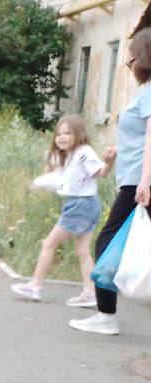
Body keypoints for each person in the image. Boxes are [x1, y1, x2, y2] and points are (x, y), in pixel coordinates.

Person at [71, 27, 151, 335]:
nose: (129, 64)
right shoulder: (143, 93)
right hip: (135, 177)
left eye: (131, 58)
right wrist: (121, 148)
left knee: (107, 240)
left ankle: (106, 315)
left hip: (138, 183)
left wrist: (144, 179)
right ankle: (105, 312)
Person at [11, 115, 112, 305]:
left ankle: (35, 286)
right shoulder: (70, 155)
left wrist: (109, 162)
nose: (62, 137)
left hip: (80, 205)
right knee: (82, 250)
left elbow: (101, 173)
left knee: (49, 243)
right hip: (86, 204)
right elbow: (62, 179)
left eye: (67, 133)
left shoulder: (84, 152)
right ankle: (90, 292)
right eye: (59, 134)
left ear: (79, 134)